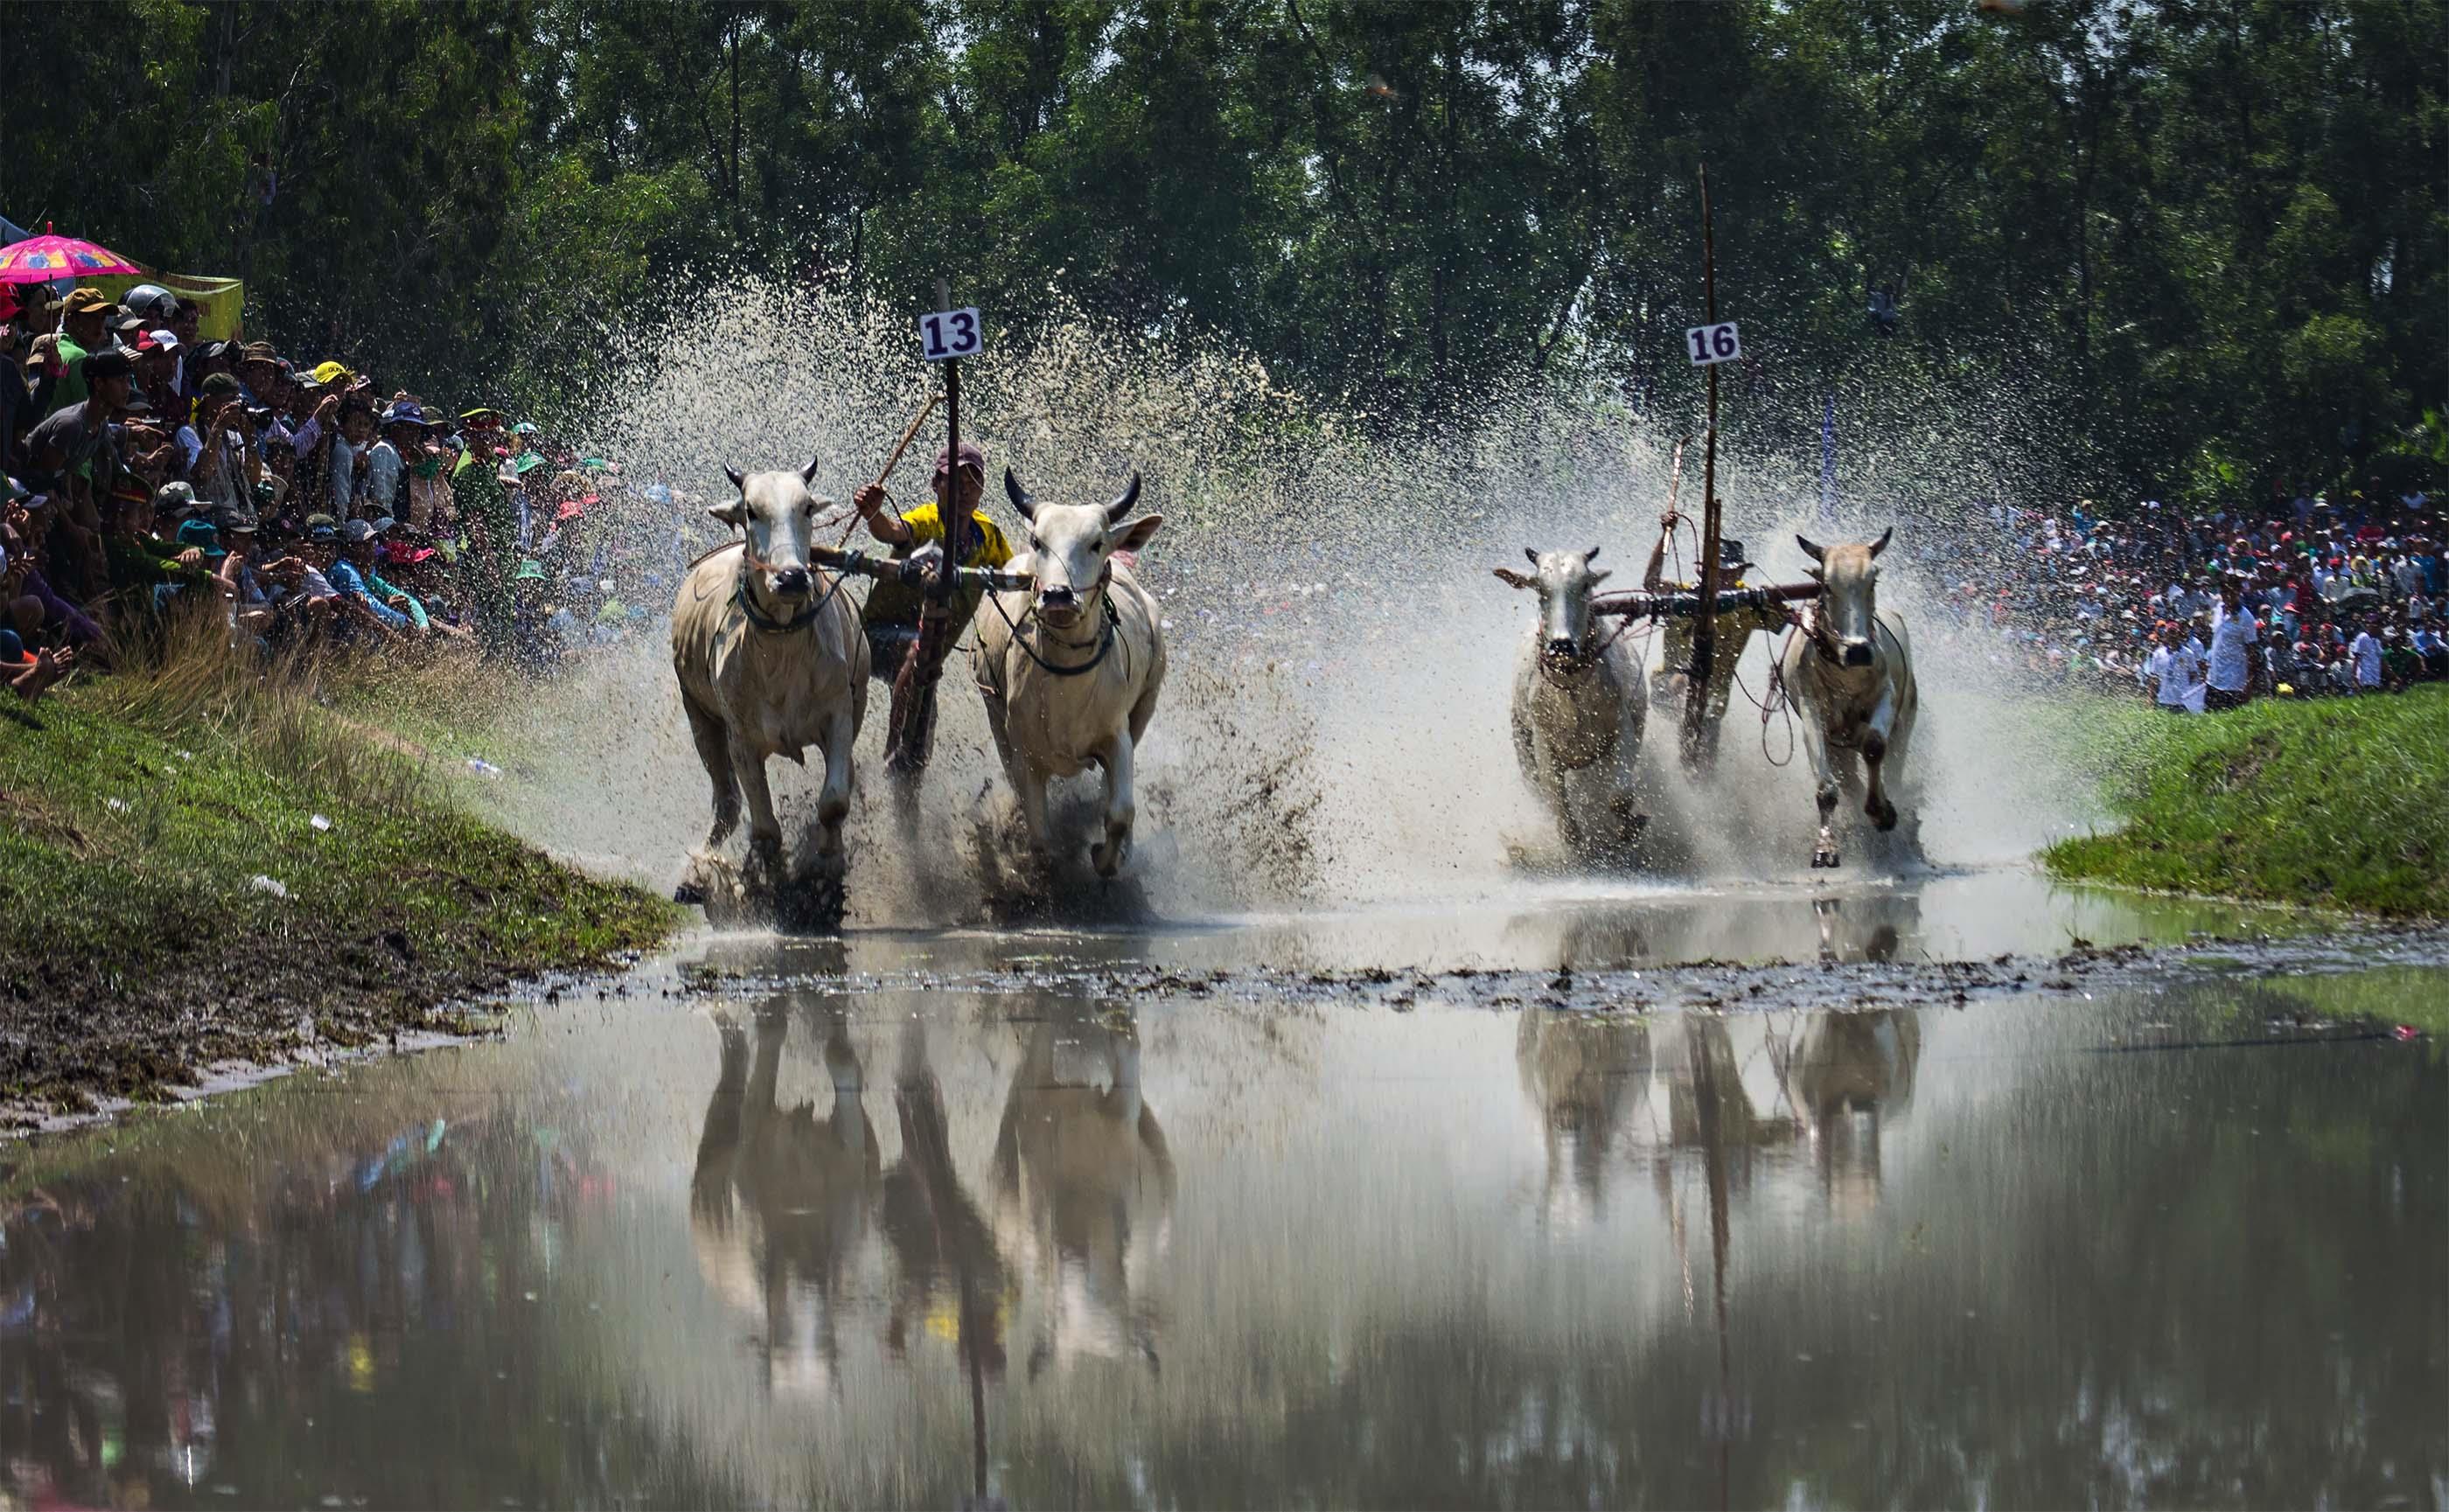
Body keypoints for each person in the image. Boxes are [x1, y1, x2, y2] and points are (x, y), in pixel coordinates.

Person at [849, 441, 1014, 683]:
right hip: (875, 637)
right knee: (919, 652)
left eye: (973, 482)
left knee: (925, 676)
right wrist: (873, 513)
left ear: (982, 487)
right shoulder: (927, 520)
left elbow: (1016, 574)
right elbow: (891, 531)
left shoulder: (989, 536)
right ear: (935, 484)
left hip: (929, 652)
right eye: (956, 481)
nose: (965, 490)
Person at [1642, 517, 1788, 770]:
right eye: (1717, 572)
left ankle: (1699, 784)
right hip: (1668, 690)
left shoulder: (1749, 605)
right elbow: (1651, 584)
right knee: (1683, 684)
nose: (1723, 578)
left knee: (1705, 761)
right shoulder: (1684, 595)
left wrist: (1773, 599)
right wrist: (1666, 534)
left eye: (1730, 573)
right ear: (1702, 572)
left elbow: (1785, 620)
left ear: (1740, 574)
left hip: (1714, 703)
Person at [2202, 576, 2257, 711]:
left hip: (2234, 681)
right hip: (2213, 678)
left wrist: (2249, 684)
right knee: (2210, 719)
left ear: (2238, 591)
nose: (2227, 595)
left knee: (2231, 720)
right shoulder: (2218, 610)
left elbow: (2252, 652)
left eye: (2231, 591)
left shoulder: (2246, 617)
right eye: (2224, 591)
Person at [2142, 620, 2203, 714]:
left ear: (2179, 634)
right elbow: (2154, 679)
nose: (2172, 636)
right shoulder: (2158, 654)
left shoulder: (2188, 653)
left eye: (2174, 632)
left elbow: (2193, 674)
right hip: (2164, 700)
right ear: (2166, 635)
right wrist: (2150, 699)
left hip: (2182, 701)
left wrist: (2189, 694)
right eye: (2169, 633)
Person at [2348, 619, 2383, 692]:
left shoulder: (2377, 640)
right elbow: (2356, 657)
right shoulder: (2363, 637)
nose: (2380, 629)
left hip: (2375, 677)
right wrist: (2354, 675)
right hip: (2365, 676)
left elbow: (2381, 658)